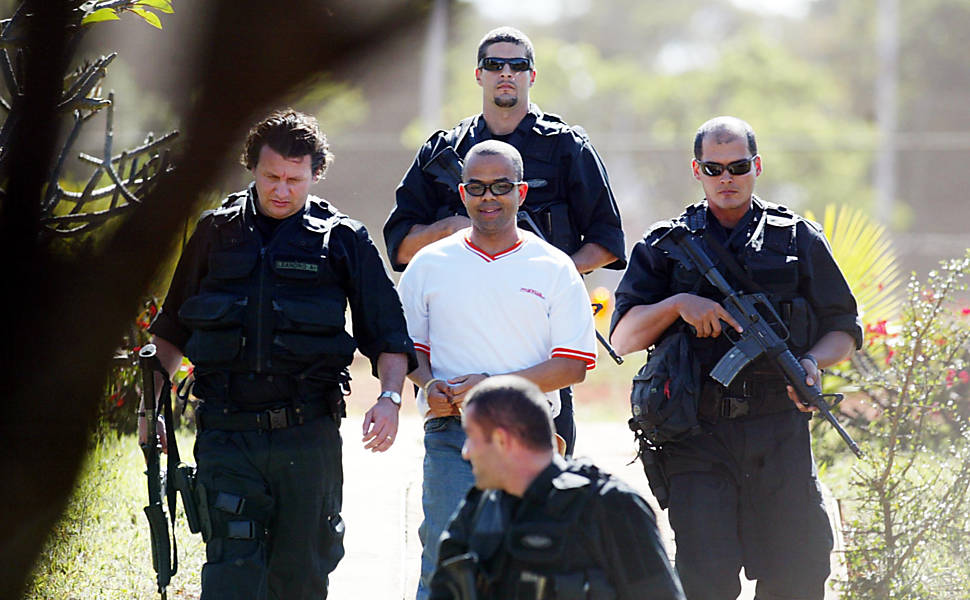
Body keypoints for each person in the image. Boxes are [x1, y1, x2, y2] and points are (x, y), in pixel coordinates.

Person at [138, 109, 416, 599]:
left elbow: (388, 335)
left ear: (314, 175)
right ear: (253, 169)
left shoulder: (342, 240)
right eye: (271, 177)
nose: (282, 190)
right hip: (228, 432)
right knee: (232, 576)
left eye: (295, 179)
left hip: (308, 436)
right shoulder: (214, 234)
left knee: (300, 578)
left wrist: (390, 399)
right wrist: (150, 408)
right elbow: (172, 330)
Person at [610, 116, 863, 600]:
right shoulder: (667, 244)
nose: (727, 178)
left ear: (756, 166)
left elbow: (845, 328)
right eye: (714, 167)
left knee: (798, 573)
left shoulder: (797, 239)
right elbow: (621, 338)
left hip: (778, 432)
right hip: (696, 437)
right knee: (707, 581)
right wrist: (678, 305)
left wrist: (811, 363)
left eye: (738, 166)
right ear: (697, 170)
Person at [385, 25, 625, 456]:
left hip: (537, 345)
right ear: (479, 74)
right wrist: (450, 229)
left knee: (546, 497)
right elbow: (400, 248)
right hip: (455, 358)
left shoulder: (567, 147)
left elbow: (608, 241)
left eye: (518, 65)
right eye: (495, 65)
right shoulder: (444, 147)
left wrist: (544, 271)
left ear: (532, 75)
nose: (506, 73)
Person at [397, 140, 598, 600]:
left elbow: (573, 366)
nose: (489, 197)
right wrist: (427, 384)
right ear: (462, 193)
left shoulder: (554, 266)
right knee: (446, 567)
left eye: (501, 186)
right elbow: (409, 351)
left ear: (521, 192)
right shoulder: (429, 263)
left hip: (531, 439)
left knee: (531, 573)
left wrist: (490, 388)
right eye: (478, 187)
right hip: (453, 437)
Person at [429, 375, 686, 600]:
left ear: (502, 440)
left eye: (472, 438)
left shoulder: (612, 507)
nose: (466, 452)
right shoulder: (479, 508)